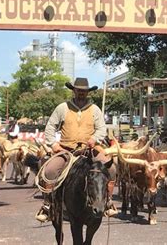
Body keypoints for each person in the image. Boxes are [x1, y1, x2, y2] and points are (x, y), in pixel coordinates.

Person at [35, 77, 117, 223]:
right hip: (66, 149)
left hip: (90, 149)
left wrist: (94, 139)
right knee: (50, 171)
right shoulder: (63, 108)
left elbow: (101, 129)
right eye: (79, 90)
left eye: (84, 91)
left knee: (111, 169)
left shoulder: (94, 109)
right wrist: (53, 144)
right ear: (73, 90)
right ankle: (48, 205)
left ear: (87, 92)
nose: (81, 93)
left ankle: (108, 201)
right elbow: (50, 127)